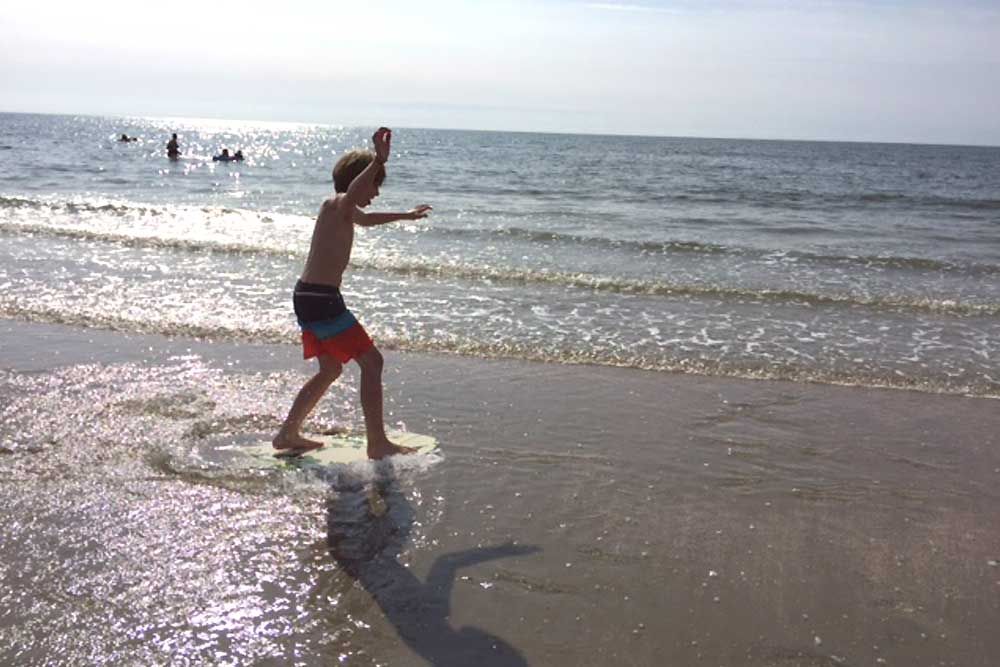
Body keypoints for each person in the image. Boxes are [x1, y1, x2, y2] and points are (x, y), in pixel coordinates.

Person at [273, 127, 432, 459]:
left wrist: (406, 215)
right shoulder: (337, 204)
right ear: (360, 178)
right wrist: (377, 160)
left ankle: (288, 433)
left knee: (330, 370)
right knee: (372, 363)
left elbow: (369, 219)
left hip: (309, 297)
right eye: (375, 184)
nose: (375, 192)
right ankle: (378, 443)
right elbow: (354, 194)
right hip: (321, 299)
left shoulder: (343, 211)